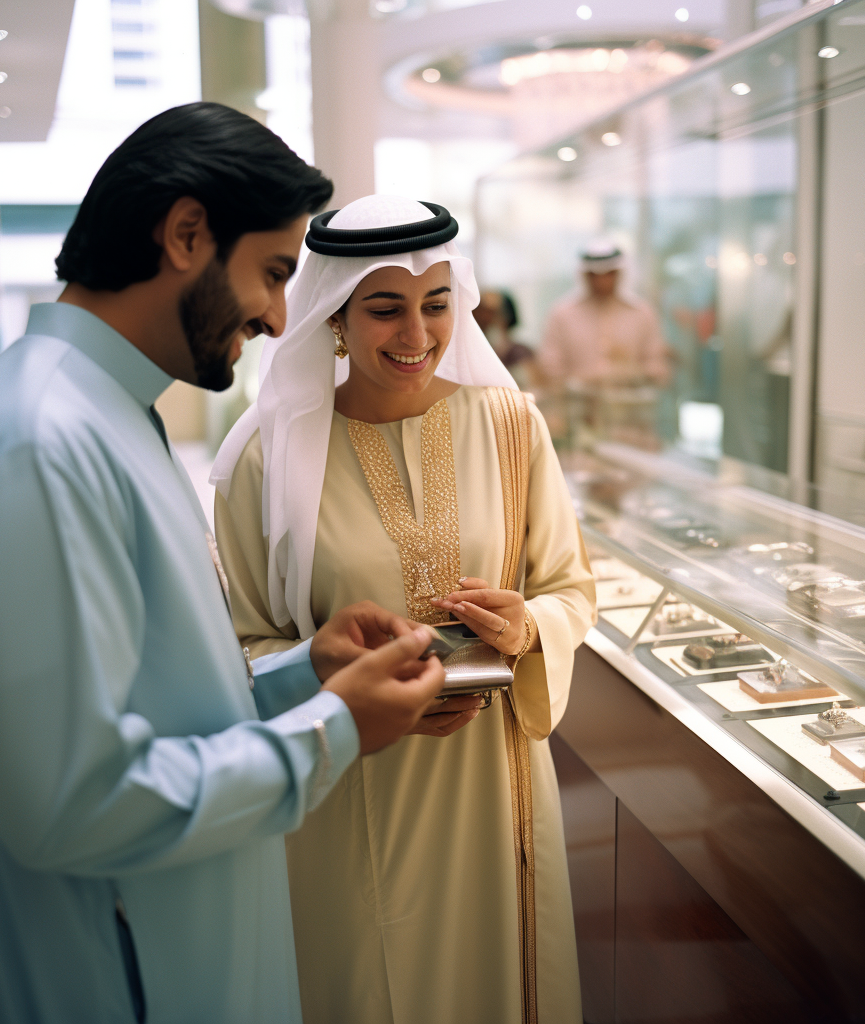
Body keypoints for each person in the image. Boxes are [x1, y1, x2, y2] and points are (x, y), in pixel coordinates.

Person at [0, 104, 446, 1024]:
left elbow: (143, 706)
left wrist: (301, 677)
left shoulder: (106, 416)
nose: (281, 318)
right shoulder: (37, 445)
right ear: (187, 233)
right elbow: (73, 802)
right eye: (274, 273)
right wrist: (332, 731)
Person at [211, 195, 598, 1024]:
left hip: (493, 784)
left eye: (437, 306)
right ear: (336, 316)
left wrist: (529, 627)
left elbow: (569, 586)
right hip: (349, 780)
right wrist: (338, 683)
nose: (416, 336)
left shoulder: (510, 424)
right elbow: (238, 645)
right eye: (385, 308)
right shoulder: (266, 455)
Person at [539, 238, 671, 388]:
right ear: (585, 275)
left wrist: (631, 372)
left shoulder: (642, 313)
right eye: (595, 275)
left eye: (609, 274)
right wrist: (584, 381)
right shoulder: (562, 315)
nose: (602, 281)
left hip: (630, 407)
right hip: (578, 406)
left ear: (619, 273)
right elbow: (550, 368)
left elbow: (657, 367)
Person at [472, 288, 539, 389]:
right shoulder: (472, 355)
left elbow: (533, 387)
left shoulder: (520, 352)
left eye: (492, 313)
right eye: (479, 312)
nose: (485, 319)